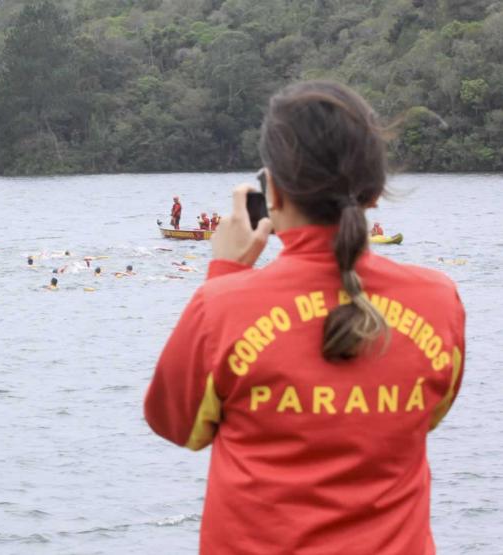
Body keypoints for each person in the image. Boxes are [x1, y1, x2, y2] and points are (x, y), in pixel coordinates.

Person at [144, 81, 465, 555]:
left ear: (270, 192)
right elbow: (427, 415)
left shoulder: (223, 306)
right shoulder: (439, 300)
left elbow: (176, 424)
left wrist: (224, 273)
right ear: (373, 193)